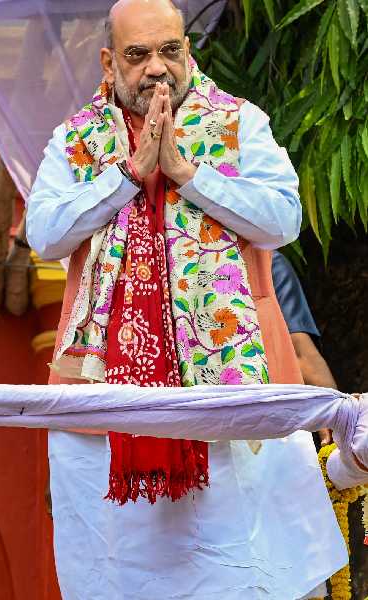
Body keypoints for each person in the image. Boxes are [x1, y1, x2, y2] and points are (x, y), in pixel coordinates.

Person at [26, 0, 348, 598]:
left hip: (233, 383)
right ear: (109, 61)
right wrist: (126, 175)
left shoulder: (238, 121)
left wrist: (186, 173)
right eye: (138, 54)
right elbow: (44, 234)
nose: (156, 69)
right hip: (105, 399)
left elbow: (283, 218)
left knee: (249, 567)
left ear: (187, 50)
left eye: (169, 51)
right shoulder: (75, 139)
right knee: (123, 570)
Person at [272, 250, 338, 446]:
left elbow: (300, 352)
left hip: (271, 416)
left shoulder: (269, 263)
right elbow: (301, 352)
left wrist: (334, 413)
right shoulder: (269, 261)